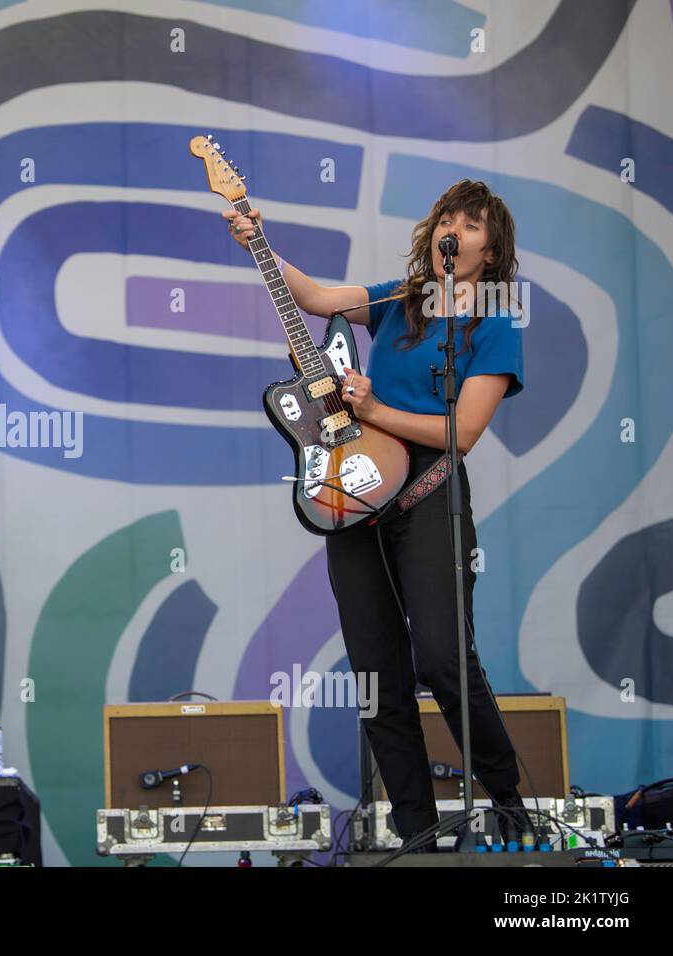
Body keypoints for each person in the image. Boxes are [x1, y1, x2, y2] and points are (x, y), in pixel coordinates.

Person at [225, 179, 530, 849]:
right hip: (355, 493)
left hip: (429, 492)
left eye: (472, 223)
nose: (455, 228)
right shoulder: (404, 298)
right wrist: (259, 241)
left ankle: (507, 797)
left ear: (492, 246)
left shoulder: (497, 317)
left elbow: (464, 431)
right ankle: (418, 833)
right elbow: (313, 298)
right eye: (448, 215)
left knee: (444, 660)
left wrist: (372, 410)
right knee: (374, 676)